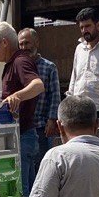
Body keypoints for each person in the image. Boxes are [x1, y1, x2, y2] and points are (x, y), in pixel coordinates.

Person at [0, 22, 46, 197]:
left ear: (4, 42)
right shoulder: (12, 63)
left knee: (21, 194)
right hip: (21, 137)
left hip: (21, 138)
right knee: (26, 194)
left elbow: (38, 85)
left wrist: (16, 96)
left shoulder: (20, 61)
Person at [19, 28, 61, 159]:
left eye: (27, 43)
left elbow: (54, 95)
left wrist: (52, 119)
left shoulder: (49, 67)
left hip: (42, 127)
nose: (24, 47)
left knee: (42, 164)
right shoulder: (18, 67)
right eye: (21, 44)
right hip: (23, 127)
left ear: (36, 43)